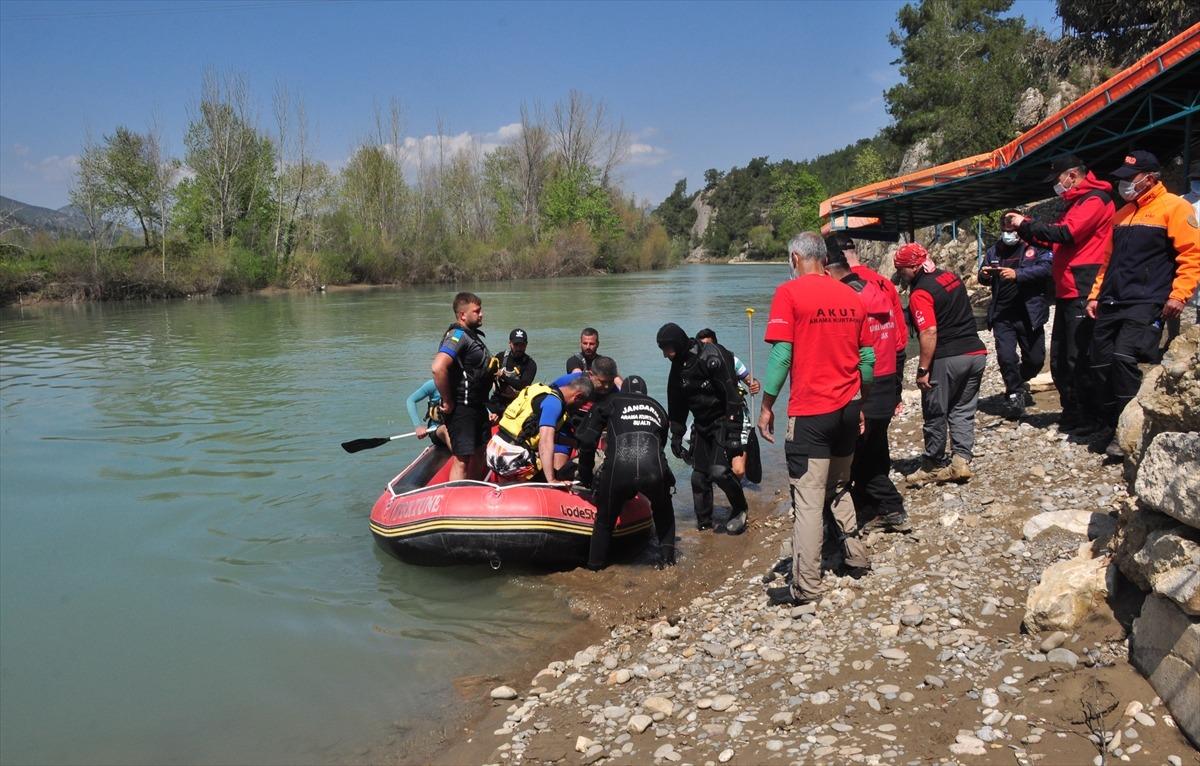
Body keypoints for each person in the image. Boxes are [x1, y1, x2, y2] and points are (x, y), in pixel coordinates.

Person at [759, 232, 875, 607]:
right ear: (824, 259)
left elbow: (781, 358)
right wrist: (862, 404)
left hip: (811, 411)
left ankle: (807, 585)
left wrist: (766, 406)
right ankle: (856, 554)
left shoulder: (789, 294)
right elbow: (867, 360)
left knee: (808, 501)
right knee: (840, 485)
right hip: (848, 408)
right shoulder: (851, 295)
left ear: (795, 258)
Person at [1086, 151, 1200, 458]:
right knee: (1098, 362)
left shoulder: (1175, 207)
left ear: (1150, 178)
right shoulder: (1121, 214)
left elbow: (1191, 254)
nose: (1123, 183)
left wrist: (1179, 294)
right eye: (1121, 178)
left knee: (1125, 359)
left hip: (1147, 300)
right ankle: (1112, 423)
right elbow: (1107, 261)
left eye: (1129, 178)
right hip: (1112, 299)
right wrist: (1095, 294)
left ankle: (1130, 434)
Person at [1005, 155, 1114, 436]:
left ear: (1072, 175)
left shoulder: (1095, 199)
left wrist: (1025, 224)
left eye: (1057, 180)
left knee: (1078, 355)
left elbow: (1066, 233)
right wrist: (1024, 228)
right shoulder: (1077, 202)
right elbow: (1053, 236)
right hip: (1068, 287)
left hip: (1082, 285)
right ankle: (1073, 410)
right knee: (1062, 357)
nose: (1056, 186)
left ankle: (1090, 414)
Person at [824, 242, 909, 533]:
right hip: (885, 382)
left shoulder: (844, 299)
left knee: (857, 456)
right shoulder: (878, 289)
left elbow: (846, 349)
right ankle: (869, 505)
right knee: (874, 447)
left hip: (865, 386)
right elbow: (900, 341)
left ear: (826, 270)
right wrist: (897, 386)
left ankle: (890, 505)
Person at [893, 243, 987, 486]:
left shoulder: (921, 292)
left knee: (935, 411)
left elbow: (929, 332)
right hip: (975, 353)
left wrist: (923, 369)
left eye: (901, 270)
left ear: (914, 267)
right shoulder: (950, 277)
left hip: (948, 358)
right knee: (963, 409)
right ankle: (960, 461)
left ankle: (933, 464)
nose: (899, 275)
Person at [657, 322, 749, 535]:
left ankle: (740, 507)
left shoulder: (712, 356)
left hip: (723, 420)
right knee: (699, 478)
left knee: (718, 472)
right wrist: (676, 435)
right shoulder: (678, 365)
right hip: (701, 423)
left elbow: (732, 396)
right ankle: (704, 524)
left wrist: (734, 433)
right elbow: (676, 402)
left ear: (678, 344)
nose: (664, 355)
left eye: (667, 349)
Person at [577, 375, 677, 570]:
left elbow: (588, 440)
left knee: (605, 521)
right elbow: (659, 447)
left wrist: (586, 476)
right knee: (664, 511)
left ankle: (595, 569)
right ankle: (668, 562)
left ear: (622, 391)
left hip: (618, 469)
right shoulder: (657, 407)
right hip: (653, 470)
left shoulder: (610, 401)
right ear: (645, 394)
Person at [978, 211, 1053, 418]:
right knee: (1006, 356)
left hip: (1030, 312)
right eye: (1004, 231)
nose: (1007, 234)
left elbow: (1047, 269)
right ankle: (1014, 394)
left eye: (1011, 231)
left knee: (1036, 359)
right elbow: (983, 275)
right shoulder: (995, 250)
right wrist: (984, 274)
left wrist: (1018, 275)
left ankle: (1018, 381)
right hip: (1002, 313)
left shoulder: (1036, 246)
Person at [431, 292, 493, 481]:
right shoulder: (457, 335)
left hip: (477, 406)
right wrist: (448, 401)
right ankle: (455, 498)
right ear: (462, 315)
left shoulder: (471, 336)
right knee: (462, 459)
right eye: (477, 311)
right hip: (462, 408)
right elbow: (438, 367)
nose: (481, 314)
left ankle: (472, 491)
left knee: (481, 451)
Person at [486, 374, 594, 483]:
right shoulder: (554, 404)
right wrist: (552, 480)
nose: (580, 407)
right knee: (559, 479)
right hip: (511, 458)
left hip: (494, 449)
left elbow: (538, 434)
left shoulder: (540, 391)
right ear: (578, 396)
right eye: (582, 403)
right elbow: (545, 442)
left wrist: (574, 443)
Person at [695, 328, 761, 480]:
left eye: (709, 345)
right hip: (711, 415)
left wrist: (755, 385)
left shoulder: (732, 360)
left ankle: (735, 497)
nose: (706, 349)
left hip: (737, 414)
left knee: (738, 471)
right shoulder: (696, 365)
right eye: (702, 346)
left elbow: (751, 380)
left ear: (717, 346)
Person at [488, 328, 537, 421]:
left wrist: (503, 377)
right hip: (497, 400)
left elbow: (523, 385)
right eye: (516, 344)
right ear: (510, 343)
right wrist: (493, 411)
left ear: (526, 345)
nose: (519, 348)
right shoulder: (500, 357)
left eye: (522, 345)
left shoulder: (530, 364)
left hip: (518, 403)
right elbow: (488, 379)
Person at [405, 379, 449, 449]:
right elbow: (411, 400)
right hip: (437, 430)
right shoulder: (433, 384)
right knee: (445, 429)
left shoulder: (466, 384)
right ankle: (460, 456)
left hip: (459, 429)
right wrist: (418, 426)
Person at [1181, 160, 1200, 324]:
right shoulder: (1181, 201)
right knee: (1177, 299)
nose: (1197, 182)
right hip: (1184, 257)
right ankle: (1172, 337)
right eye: (1195, 179)